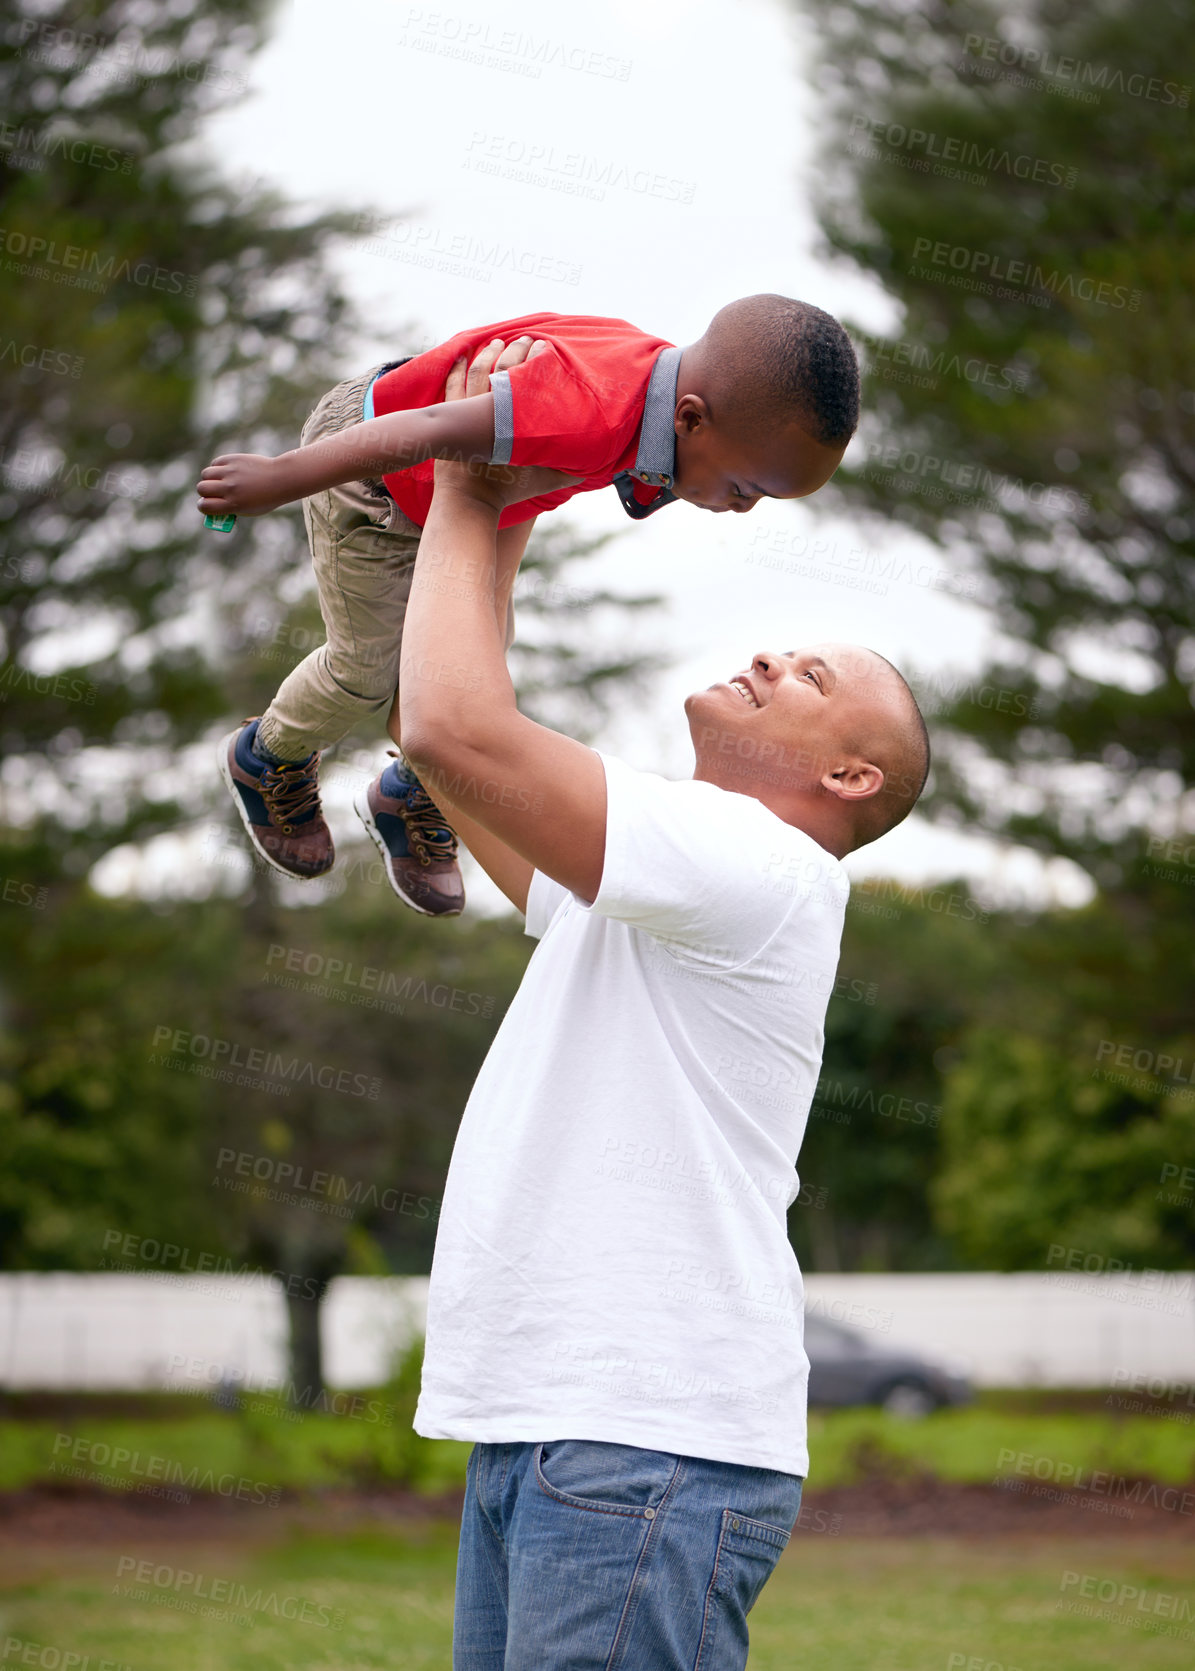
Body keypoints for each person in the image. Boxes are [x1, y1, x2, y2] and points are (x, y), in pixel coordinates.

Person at [396, 340, 930, 1670]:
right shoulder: (665, 881)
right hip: (569, 1432)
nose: (767, 656)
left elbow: (451, 733)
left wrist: (471, 478)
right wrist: (508, 496)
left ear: (850, 776)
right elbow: (462, 752)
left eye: (810, 677)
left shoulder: (756, 864)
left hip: (643, 1447)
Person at [198, 297, 859, 916]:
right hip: (374, 481)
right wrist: (281, 477)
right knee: (367, 664)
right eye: (744, 490)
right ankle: (267, 756)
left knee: (480, 662)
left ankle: (410, 791)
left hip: (479, 488)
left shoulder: (656, 387)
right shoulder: (593, 404)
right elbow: (430, 426)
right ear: (688, 417)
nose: (739, 508)